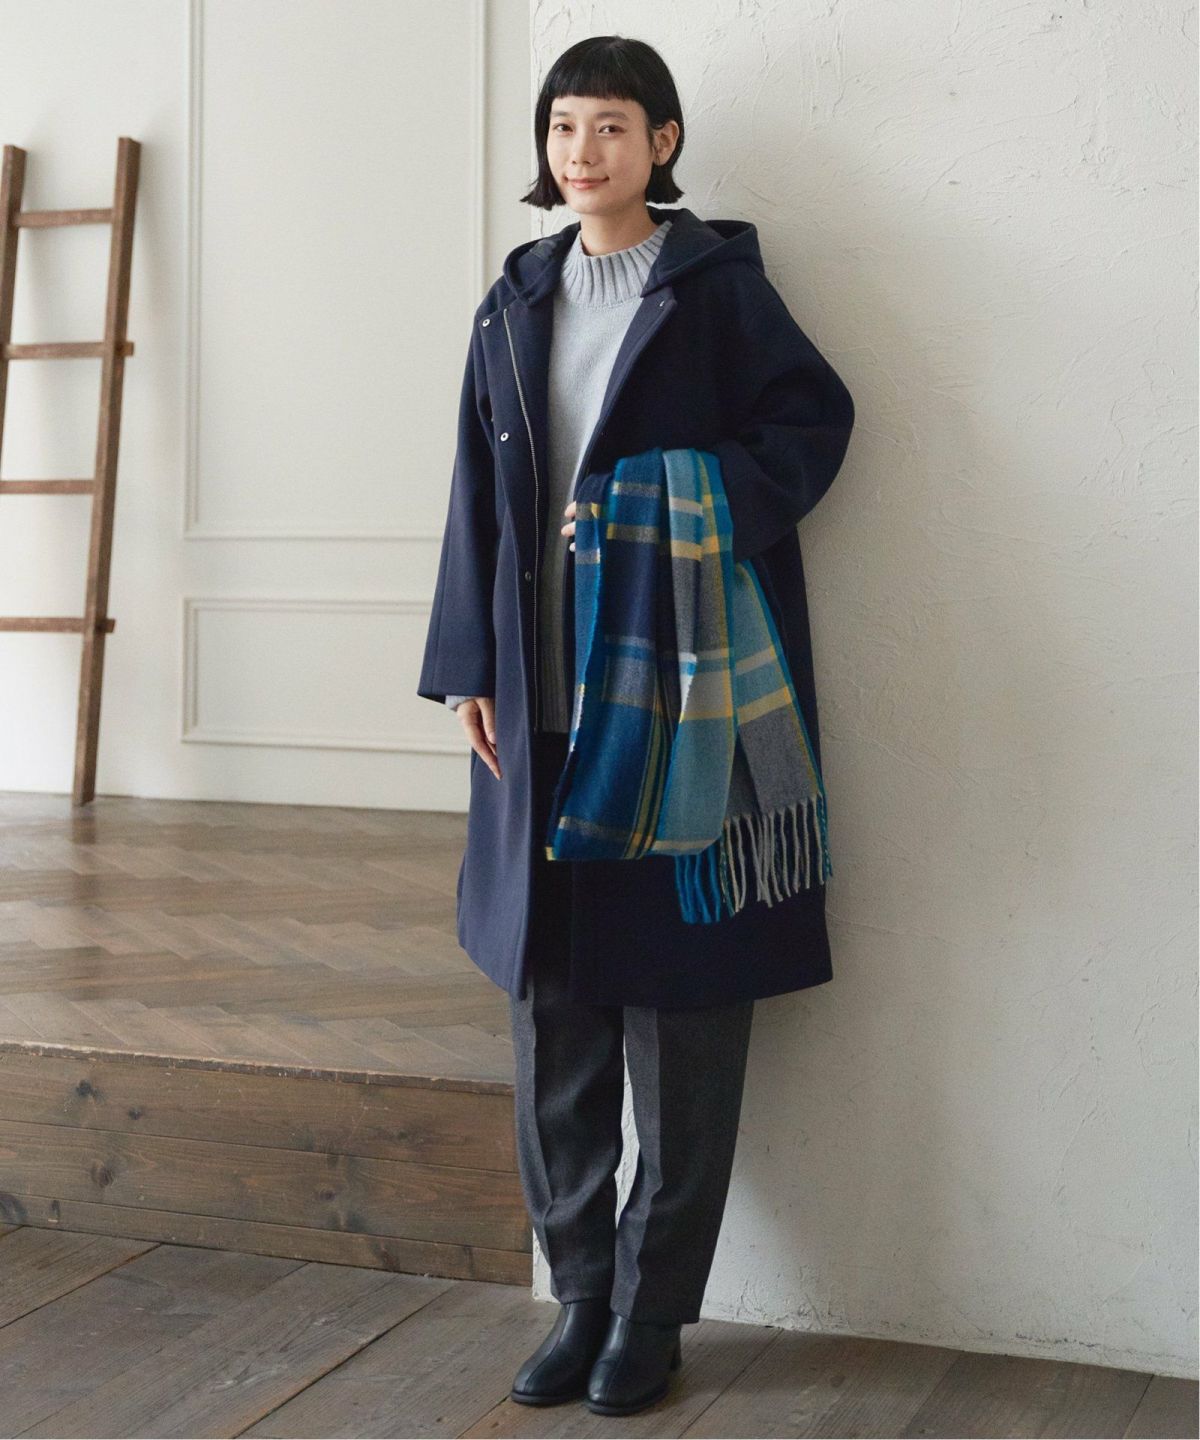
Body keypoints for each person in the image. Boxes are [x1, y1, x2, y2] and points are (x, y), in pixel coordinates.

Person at [417, 34, 855, 1418]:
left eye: (610, 125)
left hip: (677, 707)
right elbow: (475, 494)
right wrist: (470, 666)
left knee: (684, 1016)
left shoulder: (716, 290)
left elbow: (814, 424)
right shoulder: (516, 298)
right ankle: (580, 1297)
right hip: (540, 707)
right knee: (553, 1014)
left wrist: (676, 499)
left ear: (662, 142)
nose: (581, 152)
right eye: (563, 126)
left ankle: (653, 1318)